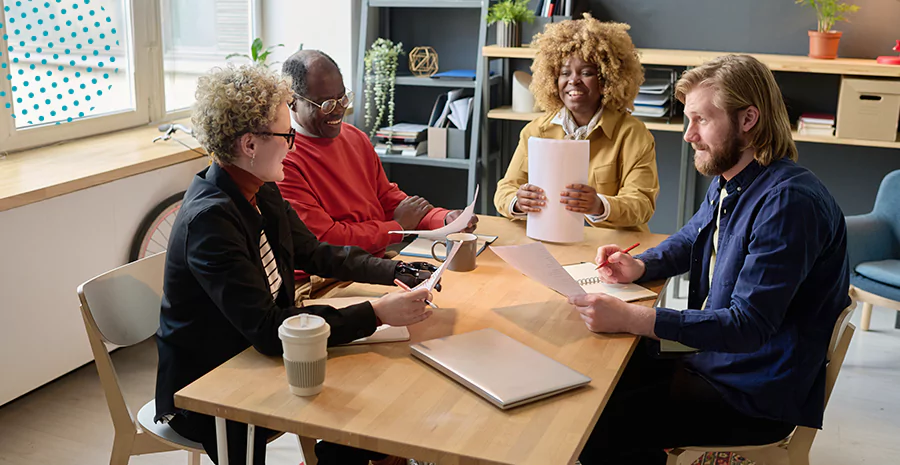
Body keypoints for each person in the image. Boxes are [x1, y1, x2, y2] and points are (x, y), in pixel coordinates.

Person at [568, 54, 851, 464]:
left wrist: (633, 318)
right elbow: (692, 236)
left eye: (700, 120)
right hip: (725, 360)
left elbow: (747, 326)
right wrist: (642, 265)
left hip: (754, 391)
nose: (688, 135)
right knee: (605, 377)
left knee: (598, 423)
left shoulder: (789, 203)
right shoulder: (733, 177)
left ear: (748, 119)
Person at [154, 64, 436, 465]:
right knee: (359, 397)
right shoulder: (210, 221)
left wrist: (393, 270)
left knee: (368, 398)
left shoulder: (259, 188)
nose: (292, 144)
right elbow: (271, 331)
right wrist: (375, 312)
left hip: (252, 355)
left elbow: (315, 252)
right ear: (250, 144)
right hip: (206, 388)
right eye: (286, 135)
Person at [277, 49, 477, 304]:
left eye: (343, 98)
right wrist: (396, 227)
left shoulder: (355, 137)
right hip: (322, 282)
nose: (338, 111)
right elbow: (325, 242)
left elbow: (390, 200)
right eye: (326, 104)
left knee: (460, 298)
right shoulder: (284, 160)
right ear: (292, 101)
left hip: (370, 265)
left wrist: (445, 219)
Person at [493, 15, 659, 232]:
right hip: (549, 240)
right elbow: (505, 189)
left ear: (607, 79)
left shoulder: (633, 134)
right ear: (553, 79)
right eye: (564, 73)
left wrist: (600, 206)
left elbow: (642, 203)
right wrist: (518, 201)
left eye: (587, 72)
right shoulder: (535, 131)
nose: (573, 80)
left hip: (611, 249)